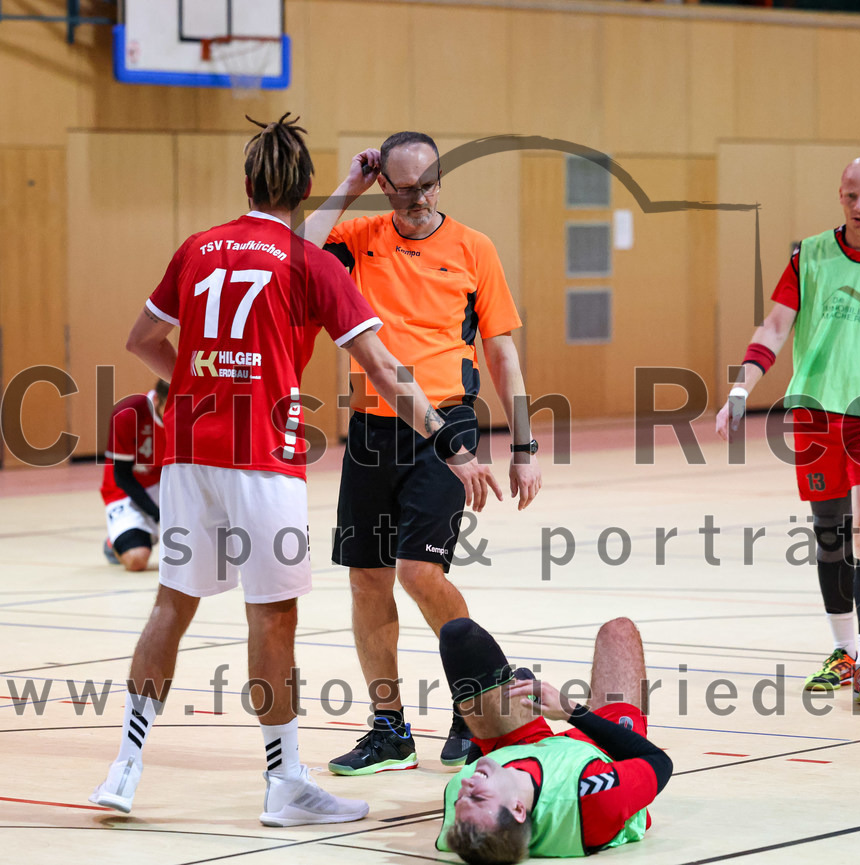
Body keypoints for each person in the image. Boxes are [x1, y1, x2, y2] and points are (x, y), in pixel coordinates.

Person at [88, 114, 498, 826]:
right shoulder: (309, 264)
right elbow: (387, 373)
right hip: (261, 459)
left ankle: (124, 767)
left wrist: (192, 383)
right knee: (272, 615)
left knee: (171, 604)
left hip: (189, 454)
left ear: (248, 182)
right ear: (306, 188)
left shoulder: (198, 248)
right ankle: (284, 785)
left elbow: (143, 338)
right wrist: (449, 441)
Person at [300, 132, 542, 774]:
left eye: (428, 184)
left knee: (418, 571)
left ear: (442, 179)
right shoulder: (359, 237)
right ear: (386, 184)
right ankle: (389, 729)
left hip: (448, 427)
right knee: (367, 577)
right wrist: (347, 188)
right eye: (404, 188)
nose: (417, 199)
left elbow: (502, 352)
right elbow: (295, 253)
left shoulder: (473, 248)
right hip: (373, 429)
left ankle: (477, 708)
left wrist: (523, 443)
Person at [716, 157, 860, 704]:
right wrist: (740, 388)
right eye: (850, 196)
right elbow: (775, 325)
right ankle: (843, 651)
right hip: (816, 410)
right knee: (831, 536)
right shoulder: (811, 255)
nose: (859, 206)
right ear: (840, 195)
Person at [433, 617, 671, 863]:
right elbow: (659, 762)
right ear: (517, 808)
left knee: (458, 636)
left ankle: (512, 703)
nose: (466, 788)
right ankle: (517, 700)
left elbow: (472, 782)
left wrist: (480, 734)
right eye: (478, 797)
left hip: (520, 752)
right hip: (600, 751)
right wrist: (570, 711)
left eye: (462, 799)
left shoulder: (462, 802)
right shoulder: (591, 794)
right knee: (618, 631)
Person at [100, 380, 167, 571]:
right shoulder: (128, 413)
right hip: (126, 489)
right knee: (136, 560)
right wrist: (159, 515)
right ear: (156, 401)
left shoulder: (192, 412)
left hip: (165, 483)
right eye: (171, 409)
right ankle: (116, 542)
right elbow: (122, 476)